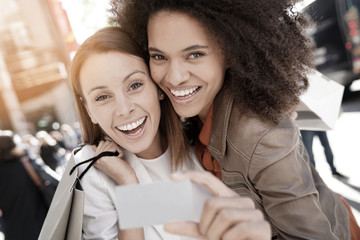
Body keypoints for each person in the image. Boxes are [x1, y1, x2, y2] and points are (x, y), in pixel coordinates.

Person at [112, 0, 356, 239]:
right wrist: (126, 186)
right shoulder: (187, 117)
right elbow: (187, 201)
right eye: (159, 57)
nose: (174, 77)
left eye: (194, 54)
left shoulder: (261, 136)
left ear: (230, 51)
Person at [69, 26, 270, 240]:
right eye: (102, 97)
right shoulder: (94, 169)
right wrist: (128, 183)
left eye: (135, 85)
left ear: (157, 86)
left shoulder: (199, 139)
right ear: (89, 110)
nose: (124, 109)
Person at [0, 130, 48, 240]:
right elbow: (56, 183)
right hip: (41, 226)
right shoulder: (27, 164)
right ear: (13, 146)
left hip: (12, 231)